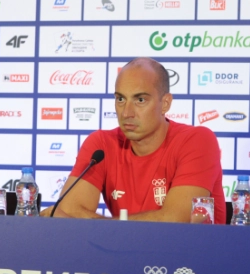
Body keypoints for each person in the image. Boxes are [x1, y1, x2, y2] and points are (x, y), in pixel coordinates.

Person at [48, 58, 225, 222]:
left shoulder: (197, 140)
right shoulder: (101, 145)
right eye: (120, 99)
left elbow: (175, 221)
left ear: (165, 103)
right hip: (121, 246)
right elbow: (66, 211)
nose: (127, 113)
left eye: (140, 100)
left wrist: (100, 224)